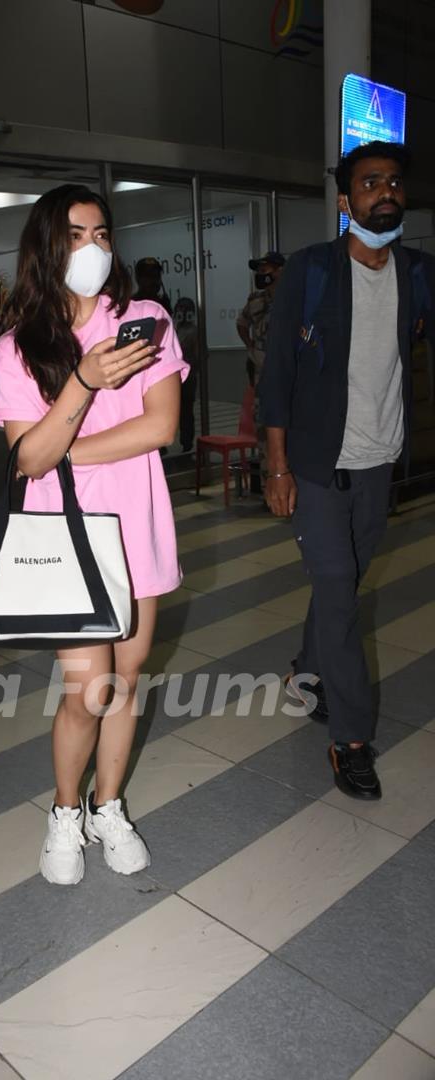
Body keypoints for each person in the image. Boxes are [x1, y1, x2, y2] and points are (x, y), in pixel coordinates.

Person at [0, 184, 187, 886]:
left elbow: (160, 426)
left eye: (103, 234)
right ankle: (65, 810)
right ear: (46, 248)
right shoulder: (18, 350)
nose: (94, 248)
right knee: (88, 689)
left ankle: (110, 806)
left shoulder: (145, 318)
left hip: (137, 528)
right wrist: (84, 379)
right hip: (66, 540)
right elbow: (25, 460)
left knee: (126, 682)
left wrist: (63, 448)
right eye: (76, 235)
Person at [259, 141, 435, 801]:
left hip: (378, 464)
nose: (383, 192)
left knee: (345, 583)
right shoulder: (309, 273)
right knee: (339, 594)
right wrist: (276, 466)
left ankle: (308, 670)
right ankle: (352, 741)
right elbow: (277, 376)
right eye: (369, 183)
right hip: (313, 465)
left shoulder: (419, 274)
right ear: (344, 199)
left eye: (392, 182)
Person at [237, 251, 285, 482]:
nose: (260, 274)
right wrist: (251, 347)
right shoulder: (254, 300)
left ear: (279, 271)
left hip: (288, 377)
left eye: (265, 269)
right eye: (259, 270)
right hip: (262, 378)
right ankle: (271, 484)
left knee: (291, 431)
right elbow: (242, 323)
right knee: (264, 430)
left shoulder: (294, 297)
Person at [173, 296, 199, 453]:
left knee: (186, 411)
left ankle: (187, 442)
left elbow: (200, 354)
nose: (182, 311)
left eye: (185, 308)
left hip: (187, 376)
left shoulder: (194, 331)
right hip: (173, 376)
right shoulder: (174, 328)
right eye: (180, 308)